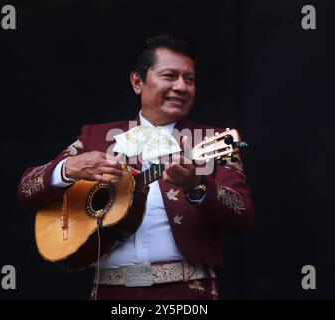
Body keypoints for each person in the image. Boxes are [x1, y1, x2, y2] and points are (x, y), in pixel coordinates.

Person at [17, 34, 254, 300]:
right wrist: (68, 168)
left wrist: (196, 186)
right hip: (110, 293)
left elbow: (242, 213)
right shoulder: (96, 137)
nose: (182, 87)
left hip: (185, 294)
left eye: (189, 79)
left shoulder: (212, 140)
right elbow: (27, 187)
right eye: (169, 76)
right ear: (137, 82)